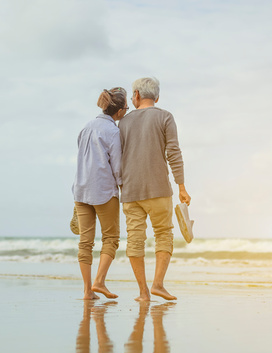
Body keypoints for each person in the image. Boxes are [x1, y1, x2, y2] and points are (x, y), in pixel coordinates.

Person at [117, 77, 191, 301]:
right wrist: (182, 186)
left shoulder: (124, 123)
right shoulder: (165, 116)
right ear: (156, 97)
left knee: (135, 239)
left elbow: (116, 158)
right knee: (163, 234)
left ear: (137, 95)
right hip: (159, 188)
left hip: (131, 191)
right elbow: (174, 153)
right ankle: (158, 284)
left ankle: (143, 292)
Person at [72, 87, 128, 300]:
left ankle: (87, 291)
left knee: (85, 241)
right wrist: (123, 187)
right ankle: (100, 282)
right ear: (120, 111)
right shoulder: (113, 131)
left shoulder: (86, 127)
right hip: (103, 190)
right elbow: (117, 166)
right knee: (111, 238)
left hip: (80, 189)